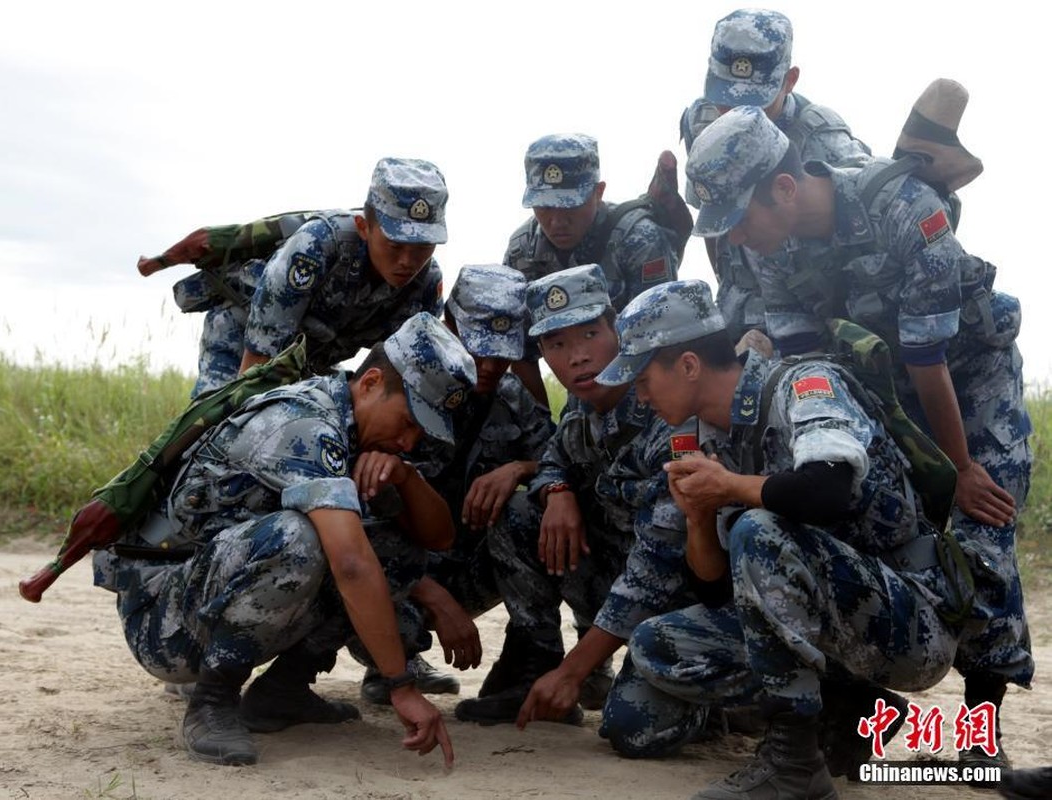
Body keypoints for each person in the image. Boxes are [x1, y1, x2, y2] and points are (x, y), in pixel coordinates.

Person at [686, 104, 1033, 771]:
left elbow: (929, 356)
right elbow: (808, 358)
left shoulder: (904, 208)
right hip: (883, 382)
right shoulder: (771, 253)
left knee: (976, 531)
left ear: (783, 188)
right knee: (866, 518)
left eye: (739, 220)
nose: (733, 241)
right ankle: (852, 714)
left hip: (968, 378)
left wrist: (959, 467)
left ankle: (977, 740)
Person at [595, 280, 965, 798]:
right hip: (823, 626)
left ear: (688, 364)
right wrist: (700, 517)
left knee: (759, 527)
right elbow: (717, 587)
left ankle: (794, 764)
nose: (639, 394)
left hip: (906, 623)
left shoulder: (805, 385)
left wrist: (730, 488)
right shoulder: (708, 435)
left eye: (644, 377)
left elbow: (828, 487)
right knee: (654, 648)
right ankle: (841, 702)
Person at [91, 312, 474, 767]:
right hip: (163, 619)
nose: (410, 441)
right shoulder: (305, 424)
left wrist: (404, 477)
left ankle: (282, 692)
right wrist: (401, 685)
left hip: (210, 591)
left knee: (396, 545)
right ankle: (212, 701)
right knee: (305, 538)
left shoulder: (358, 430)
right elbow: (350, 563)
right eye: (409, 422)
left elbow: (436, 539)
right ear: (370, 383)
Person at [454, 265, 701, 726]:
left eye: (589, 334)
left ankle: (718, 701)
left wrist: (575, 671)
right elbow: (554, 458)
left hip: (676, 601)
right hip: (615, 578)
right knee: (520, 510)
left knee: (635, 729)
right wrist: (558, 490)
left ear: (616, 328)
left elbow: (658, 566)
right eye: (557, 344)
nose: (578, 358)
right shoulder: (582, 409)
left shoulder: (666, 410)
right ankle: (534, 661)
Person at [357, 264, 555, 704]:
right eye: (478, 347)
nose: (488, 365)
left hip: (463, 562)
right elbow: (353, 523)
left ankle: (531, 663)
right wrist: (432, 595)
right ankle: (387, 662)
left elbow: (560, 460)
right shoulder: (400, 391)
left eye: (501, 352)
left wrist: (519, 469)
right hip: (395, 567)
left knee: (537, 510)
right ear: (448, 324)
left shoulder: (512, 396)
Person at [140, 158, 447, 398]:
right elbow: (257, 365)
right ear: (364, 228)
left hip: (314, 358)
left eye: (423, 248)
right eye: (394, 246)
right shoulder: (318, 246)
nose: (408, 262)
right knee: (214, 430)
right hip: (245, 340)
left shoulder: (425, 284)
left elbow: (407, 377)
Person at [678, 8, 870, 345]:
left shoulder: (821, 137)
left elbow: (868, 213)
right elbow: (712, 220)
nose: (737, 111)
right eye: (725, 95)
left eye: (756, 99)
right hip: (739, 304)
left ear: (790, 80)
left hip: (810, 312)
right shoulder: (701, 123)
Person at [503, 133, 681, 402]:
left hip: (646, 389)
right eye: (545, 207)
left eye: (570, 206)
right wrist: (542, 429)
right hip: (583, 391)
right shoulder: (522, 251)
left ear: (598, 192)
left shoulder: (638, 239)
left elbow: (661, 340)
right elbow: (521, 352)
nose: (557, 221)